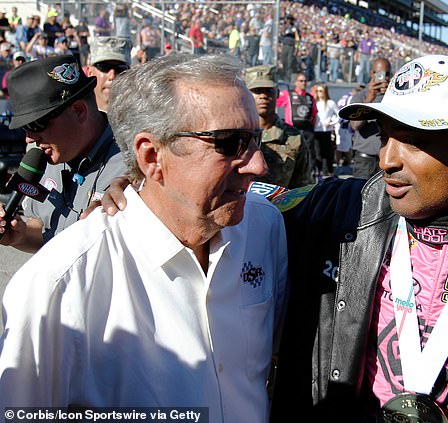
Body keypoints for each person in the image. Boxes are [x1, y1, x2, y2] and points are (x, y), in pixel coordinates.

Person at [99, 54, 448, 422]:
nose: (389, 158)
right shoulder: (335, 211)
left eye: (418, 138)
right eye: (386, 134)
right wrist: (146, 183)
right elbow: (239, 193)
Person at [0, 54, 288, 422]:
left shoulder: (265, 227)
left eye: (256, 140)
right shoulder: (56, 286)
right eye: (231, 143)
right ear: (152, 157)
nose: (258, 165)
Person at [0, 55, 125, 252]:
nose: (29, 138)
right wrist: (20, 234)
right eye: (25, 127)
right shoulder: (46, 156)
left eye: (36, 124)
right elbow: (46, 229)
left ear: (79, 111)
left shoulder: (134, 164)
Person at [246, 64, 311, 188]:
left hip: (280, 206)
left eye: (268, 90)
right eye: (257, 91)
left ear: (277, 94)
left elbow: (302, 187)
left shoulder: (294, 138)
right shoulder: (235, 134)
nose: (263, 96)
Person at [350, 57, 391, 179]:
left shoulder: (395, 97)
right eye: (379, 74)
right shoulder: (360, 97)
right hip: (364, 159)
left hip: (387, 157)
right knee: (359, 195)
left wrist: (392, 93)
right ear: (372, 74)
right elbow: (355, 125)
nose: (384, 78)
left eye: (387, 74)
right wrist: (369, 100)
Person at [276, 72, 317, 178]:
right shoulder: (287, 94)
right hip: (292, 130)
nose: (303, 83)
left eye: (305, 81)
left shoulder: (310, 97)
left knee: (309, 152)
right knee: (292, 153)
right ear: (295, 83)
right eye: (301, 81)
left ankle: (310, 174)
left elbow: (314, 114)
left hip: (307, 129)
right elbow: (276, 103)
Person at [86, 36, 132, 112]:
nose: (112, 76)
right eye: (104, 67)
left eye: (120, 69)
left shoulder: (140, 119)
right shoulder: (76, 118)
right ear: (90, 73)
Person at [313, 83, 338, 176]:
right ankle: (318, 172)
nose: (319, 93)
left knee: (328, 153)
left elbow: (338, 115)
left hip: (326, 131)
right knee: (318, 153)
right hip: (316, 130)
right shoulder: (315, 102)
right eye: (317, 91)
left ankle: (330, 172)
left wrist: (331, 123)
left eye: (321, 91)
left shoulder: (330, 103)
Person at [280, 15, 299, 81]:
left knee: (289, 62)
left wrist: (296, 48)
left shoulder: (294, 28)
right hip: (285, 45)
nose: (288, 21)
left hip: (291, 46)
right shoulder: (284, 27)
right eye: (287, 19)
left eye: (289, 19)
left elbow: (297, 38)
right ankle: (283, 76)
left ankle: (288, 78)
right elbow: (281, 35)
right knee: (283, 61)